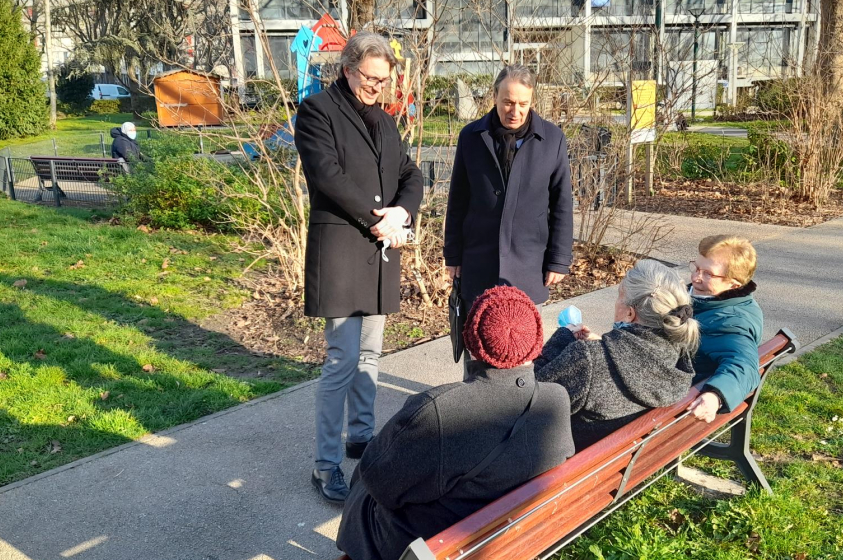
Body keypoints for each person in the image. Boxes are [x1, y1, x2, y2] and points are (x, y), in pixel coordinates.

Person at [336, 286, 575, 560]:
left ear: (471, 342)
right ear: (535, 344)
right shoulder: (556, 399)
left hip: (438, 547)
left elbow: (378, 481)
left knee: (364, 488)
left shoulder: (438, 410)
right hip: (511, 537)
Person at [293, 32, 424, 504]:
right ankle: (325, 464)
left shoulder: (386, 122)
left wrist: (401, 212)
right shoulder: (317, 112)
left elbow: (411, 173)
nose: (377, 87)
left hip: (380, 251)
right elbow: (327, 176)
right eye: (371, 78)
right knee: (342, 360)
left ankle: (361, 439)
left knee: (370, 355)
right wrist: (378, 218)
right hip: (345, 252)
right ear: (347, 69)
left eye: (384, 80)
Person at [443, 64, 573, 313]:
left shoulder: (553, 139)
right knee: (478, 346)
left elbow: (562, 204)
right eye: (508, 102)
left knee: (521, 348)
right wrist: (453, 255)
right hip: (479, 262)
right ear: (494, 97)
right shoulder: (470, 136)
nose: (516, 111)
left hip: (529, 266)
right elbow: (457, 201)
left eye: (523, 104)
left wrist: (559, 260)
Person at [535, 260, 699, 450]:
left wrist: (562, 339)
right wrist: (604, 347)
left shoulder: (589, 359)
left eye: (619, 296)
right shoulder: (678, 352)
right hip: (627, 460)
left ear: (630, 313)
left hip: (569, 466)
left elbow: (530, 402)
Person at [685, 235, 764, 424]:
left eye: (708, 274)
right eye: (696, 268)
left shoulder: (731, 321)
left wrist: (715, 396)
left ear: (733, 284)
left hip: (677, 404)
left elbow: (743, 365)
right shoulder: (704, 301)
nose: (696, 277)